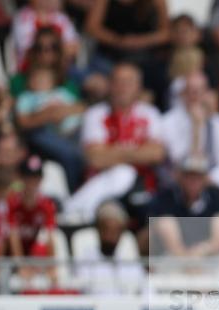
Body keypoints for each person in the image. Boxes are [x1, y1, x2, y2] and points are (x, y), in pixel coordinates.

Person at [63, 63, 165, 226]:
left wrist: (114, 151)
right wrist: (137, 152)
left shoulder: (150, 114)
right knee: (123, 174)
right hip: (103, 188)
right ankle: (73, 214)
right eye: (118, 82)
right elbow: (96, 158)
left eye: (128, 82)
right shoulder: (96, 114)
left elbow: (156, 154)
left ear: (138, 87)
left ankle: (72, 209)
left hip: (144, 190)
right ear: (110, 85)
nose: (122, 88)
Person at [85, 0, 171, 108]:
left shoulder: (157, 2)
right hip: (109, 57)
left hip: (145, 60)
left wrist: (141, 41)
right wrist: (118, 41)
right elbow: (91, 26)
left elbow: (166, 33)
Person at [161, 71, 219, 190]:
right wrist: (196, 129)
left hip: (211, 188)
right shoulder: (167, 122)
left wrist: (203, 180)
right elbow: (182, 164)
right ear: (182, 94)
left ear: (207, 94)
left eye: (199, 91)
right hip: (177, 189)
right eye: (190, 91)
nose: (195, 96)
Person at [15, 65, 85, 191]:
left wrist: (61, 112)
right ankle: (75, 189)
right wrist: (48, 114)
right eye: (35, 79)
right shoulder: (26, 97)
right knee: (71, 155)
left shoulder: (60, 93)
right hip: (45, 132)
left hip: (74, 130)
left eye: (43, 80)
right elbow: (23, 122)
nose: (39, 82)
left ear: (53, 83)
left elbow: (80, 108)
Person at [150, 155, 219, 256]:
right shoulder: (166, 197)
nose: (193, 181)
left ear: (205, 178)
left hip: (208, 256)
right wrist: (184, 257)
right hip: (174, 257)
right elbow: (160, 228)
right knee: (165, 222)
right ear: (180, 177)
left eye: (198, 176)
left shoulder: (217, 197)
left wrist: (202, 250)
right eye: (188, 176)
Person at [8, 155, 57, 280]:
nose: (32, 182)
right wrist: (20, 266)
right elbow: (12, 237)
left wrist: (51, 267)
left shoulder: (47, 205)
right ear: (21, 179)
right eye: (28, 178)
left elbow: (49, 237)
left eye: (36, 178)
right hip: (10, 256)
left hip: (32, 255)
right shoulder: (12, 203)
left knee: (41, 247)